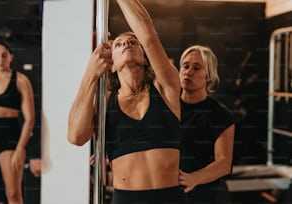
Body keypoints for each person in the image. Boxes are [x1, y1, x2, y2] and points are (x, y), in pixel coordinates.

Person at [68, 0, 182, 203]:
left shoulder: (166, 87)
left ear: (145, 57)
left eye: (133, 42)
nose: (127, 44)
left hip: (170, 197)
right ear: (111, 63)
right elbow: (76, 136)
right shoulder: (106, 100)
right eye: (119, 44)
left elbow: (148, 36)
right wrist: (90, 75)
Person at [178, 45, 235, 203]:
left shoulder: (220, 115)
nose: (188, 72)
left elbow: (224, 163)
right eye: (185, 66)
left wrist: (193, 178)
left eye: (196, 68)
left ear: (209, 76)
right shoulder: (168, 108)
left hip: (207, 196)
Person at [0, 39, 35, 204]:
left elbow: (29, 119)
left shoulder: (21, 80)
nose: (0, 59)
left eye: (4, 55)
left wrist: (20, 148)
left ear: (11, 57)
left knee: (13, 194)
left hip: (9, 139)